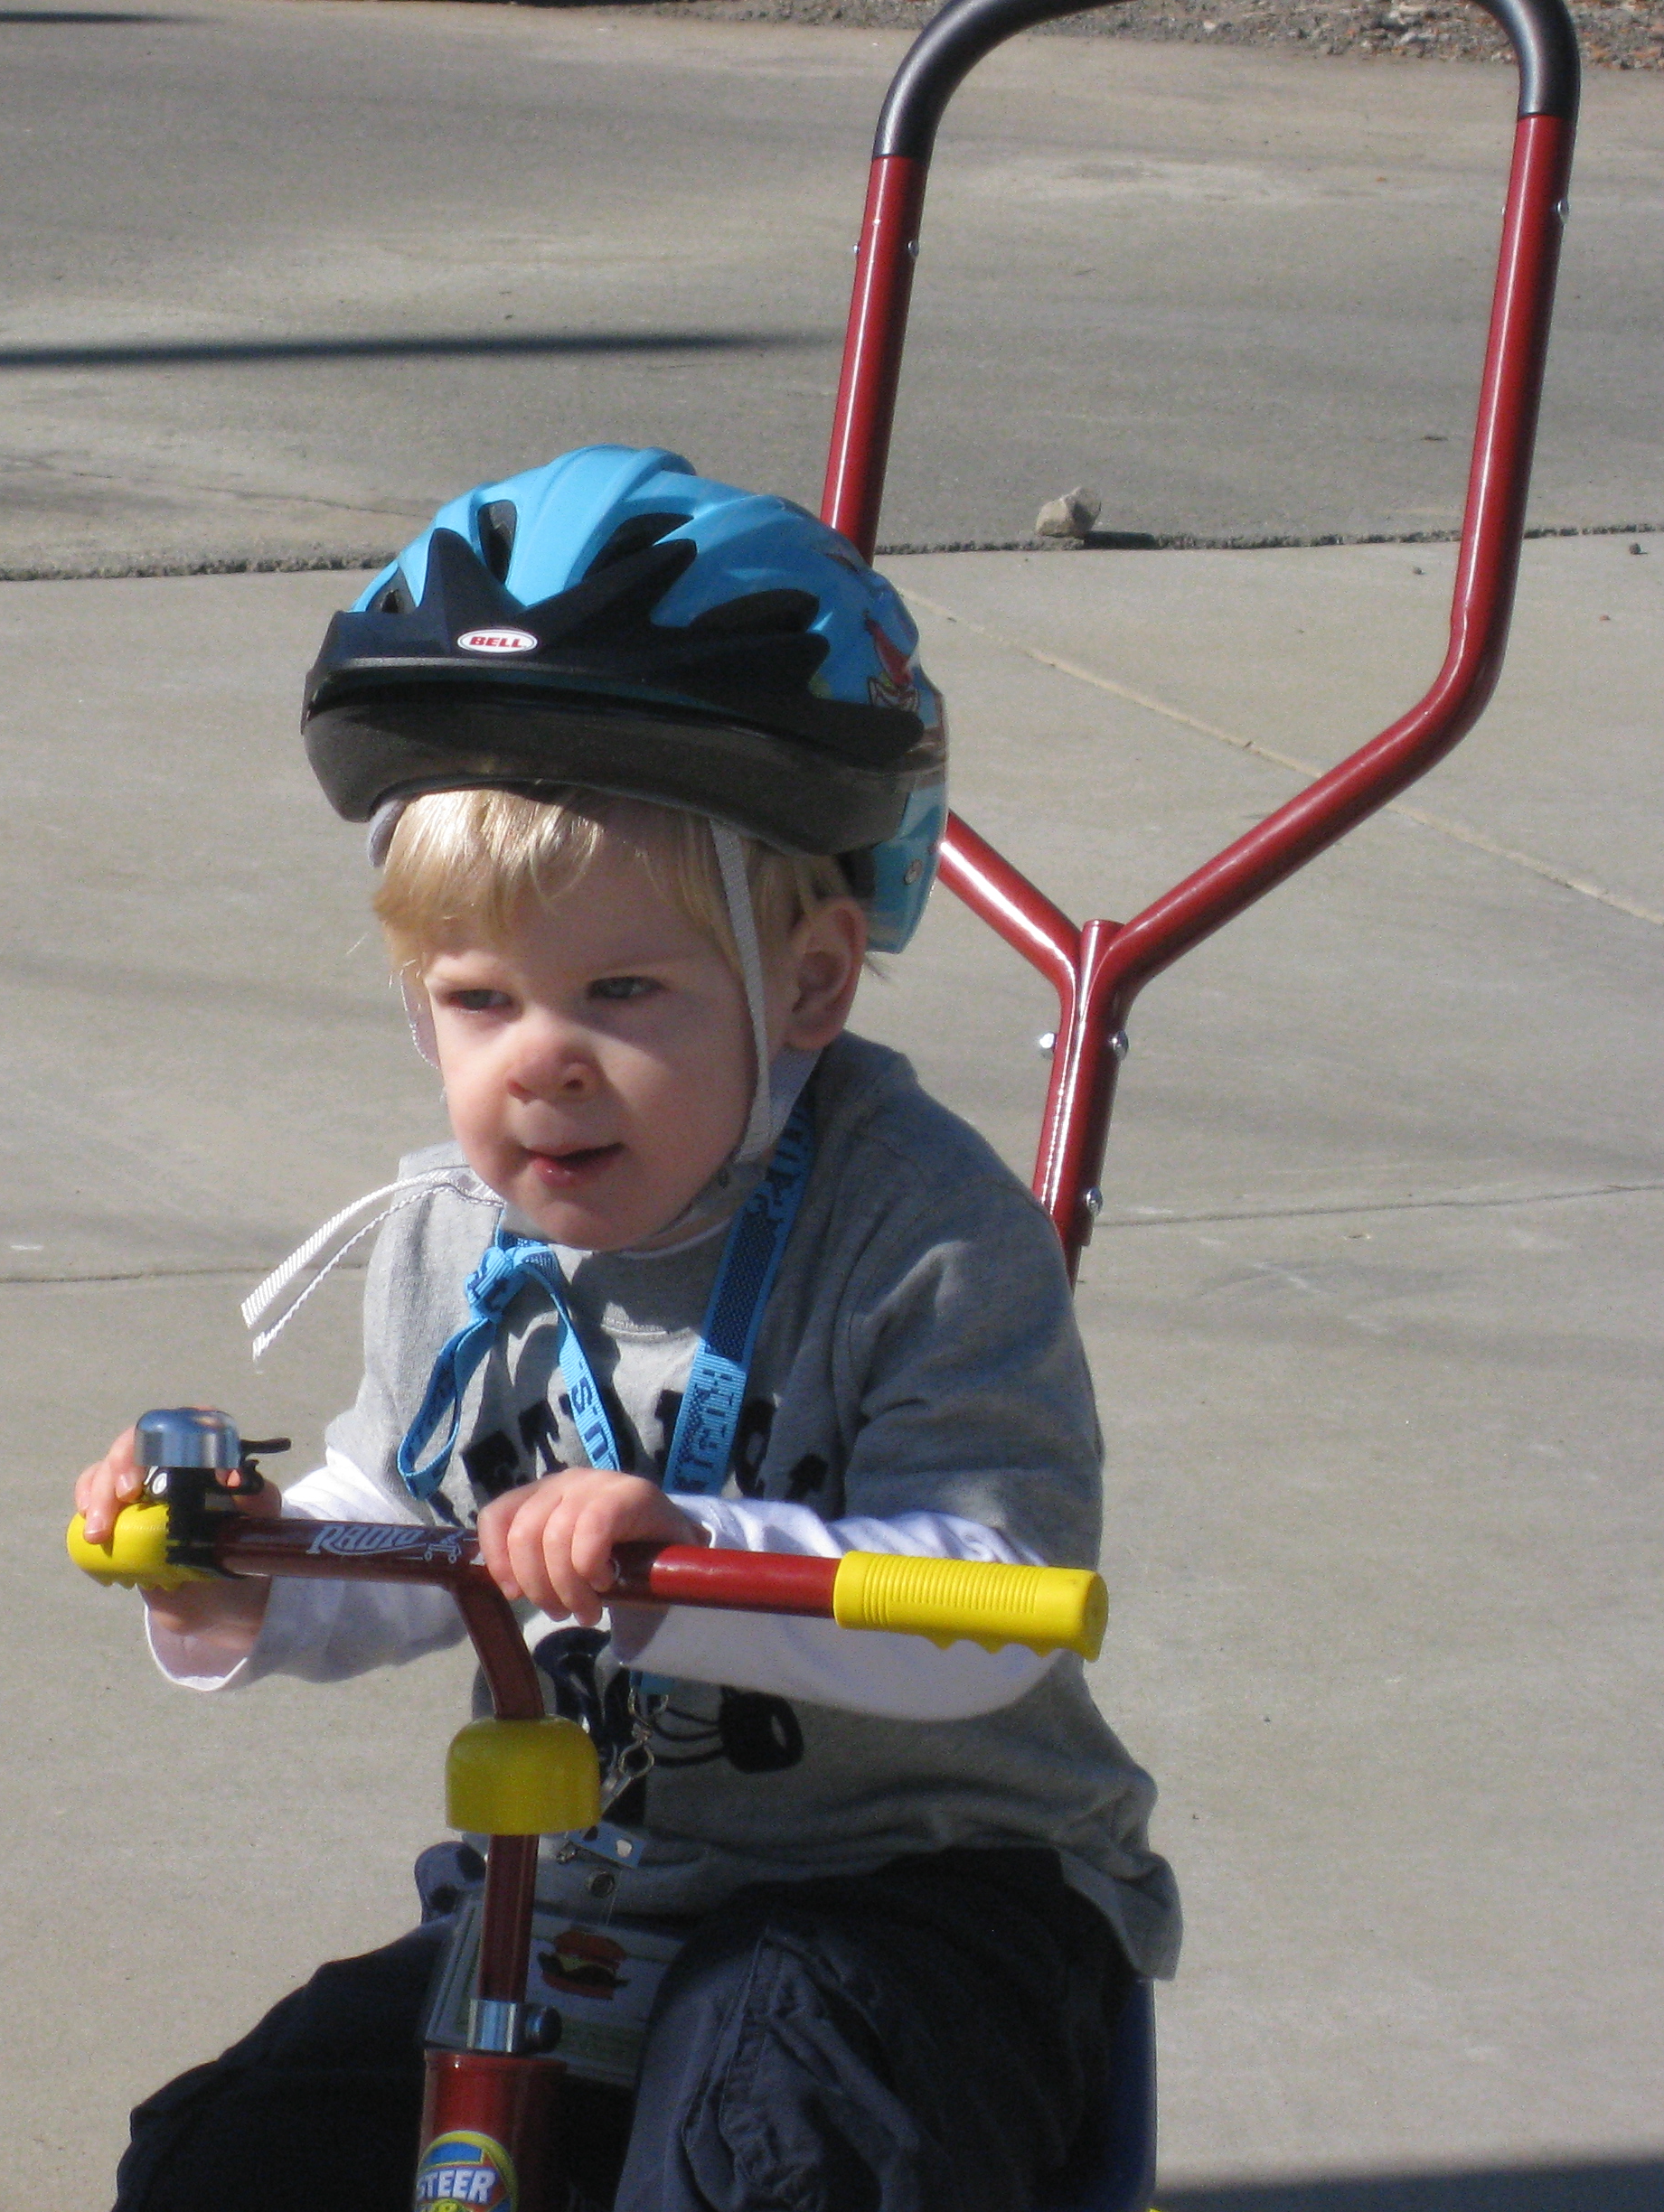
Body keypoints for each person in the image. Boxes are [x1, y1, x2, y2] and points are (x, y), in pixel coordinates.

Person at [71, 446, 1177, 2212]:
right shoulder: (450, 1235)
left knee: (769, 2138)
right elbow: (407, 1516)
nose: (542, 1062)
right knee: (236, 2159)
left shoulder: (921, 1234)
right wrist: (243, 1580)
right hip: (578, 1894)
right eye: (478, 998)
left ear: (808, 982)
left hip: (917, 1892)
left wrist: (684, 1554)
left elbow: (992, 1605)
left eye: (624, 990)